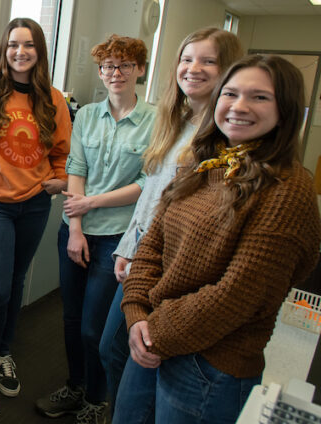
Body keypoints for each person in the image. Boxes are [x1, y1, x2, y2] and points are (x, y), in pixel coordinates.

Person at [121, 54, 321, 423]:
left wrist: (154, 333)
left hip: (209, 367)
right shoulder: (204, 164)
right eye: (230, 94)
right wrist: (136, 313)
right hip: (153, 337)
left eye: (260, 97)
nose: (239, 106)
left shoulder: (288, 188)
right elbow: (153, 243)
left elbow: (241, 293)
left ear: (287, 109)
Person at [98, 28, 243, 423]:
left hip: (171, 266)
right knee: (113, 350)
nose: (192, 68)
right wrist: (128, 247)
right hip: (143, 255)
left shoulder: (224, 134)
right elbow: (152, 197)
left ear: (229, 70)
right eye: (186, 59)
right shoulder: (176, 120)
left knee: (133, 357)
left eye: (208, 61)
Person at [35, 34, 156, 423]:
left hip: (119, 239)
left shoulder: (156, 121)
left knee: (94, 328)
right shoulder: (86, 114)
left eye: (123, 65)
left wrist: (92, 204)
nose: (115, 73)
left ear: (139, 69)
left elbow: (147, 183)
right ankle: (75, 386)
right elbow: (77, 171)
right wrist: (74, 226)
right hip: (77, 230)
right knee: (70, 320)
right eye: (107, 66)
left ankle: (97, 397)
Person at [0, 17, 72, 418]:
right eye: (12, 45)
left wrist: (59, 179)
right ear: (3, 49)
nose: (20, 52)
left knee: (16, 280)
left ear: (39, 51)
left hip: (35, 203)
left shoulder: (52, 98)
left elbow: (61, 151)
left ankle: (4, 351)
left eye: (28, 45)